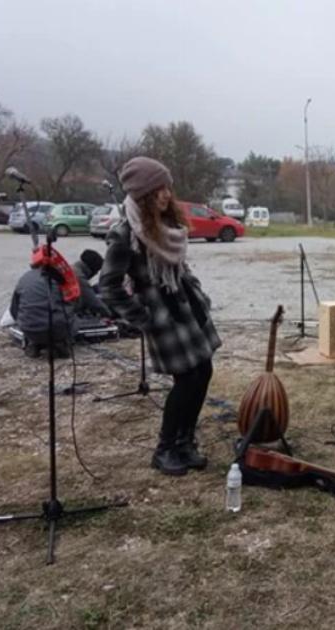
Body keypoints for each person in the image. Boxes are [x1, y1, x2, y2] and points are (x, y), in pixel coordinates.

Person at [99, 157, 221, 476]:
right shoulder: (125, 233)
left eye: (167, 187)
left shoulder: (166, 225)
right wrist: (142, 317)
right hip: (162, 317)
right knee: (186, 380)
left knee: (204, 371)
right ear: (142, 194)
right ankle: (165, 448)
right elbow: (108, 287)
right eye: (157, 189)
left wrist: (196, 291)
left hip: (187, 308)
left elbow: (179, 265)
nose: (166, 194)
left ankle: (185, 442)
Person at [9, 264, 76, 359]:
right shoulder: (57, 277)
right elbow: (70, 306)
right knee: (74, 319)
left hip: (30, 329)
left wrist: (23, 323)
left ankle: (35, 344)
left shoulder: (24, 278)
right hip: (55, 330)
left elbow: (14, 309)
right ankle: (60, 344)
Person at [73, 249, 113, 318]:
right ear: (92, 269)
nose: (96, 274)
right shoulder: (78, 277)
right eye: (97, 271)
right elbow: (93, 302)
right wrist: (110, 315)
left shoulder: (73, 269)